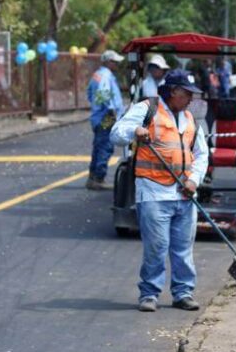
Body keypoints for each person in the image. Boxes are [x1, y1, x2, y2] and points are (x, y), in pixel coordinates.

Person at [110, 70, 209, 312]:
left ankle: (183, 293)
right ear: (173, 91)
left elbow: (201, 154)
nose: (191, 99)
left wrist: (193, 181)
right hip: (154, 193)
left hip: (184, 195)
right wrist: (135, 131)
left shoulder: (190, 119)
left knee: (183, 249)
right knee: (157, 246)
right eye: (187, 94)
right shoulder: (147, 109)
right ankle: (149, 294)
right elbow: (116, 133)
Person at [85, 50, 125, 190]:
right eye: (115, 62)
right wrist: (112, 112)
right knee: (105, 146)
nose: (117, 65)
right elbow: (104, 95)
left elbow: (89, 94)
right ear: (108, 62)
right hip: (106, 116)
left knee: (98, 146)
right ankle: (98, 178)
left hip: (98, 115)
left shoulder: (97, 75)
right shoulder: (106, 76)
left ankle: (92, 177)